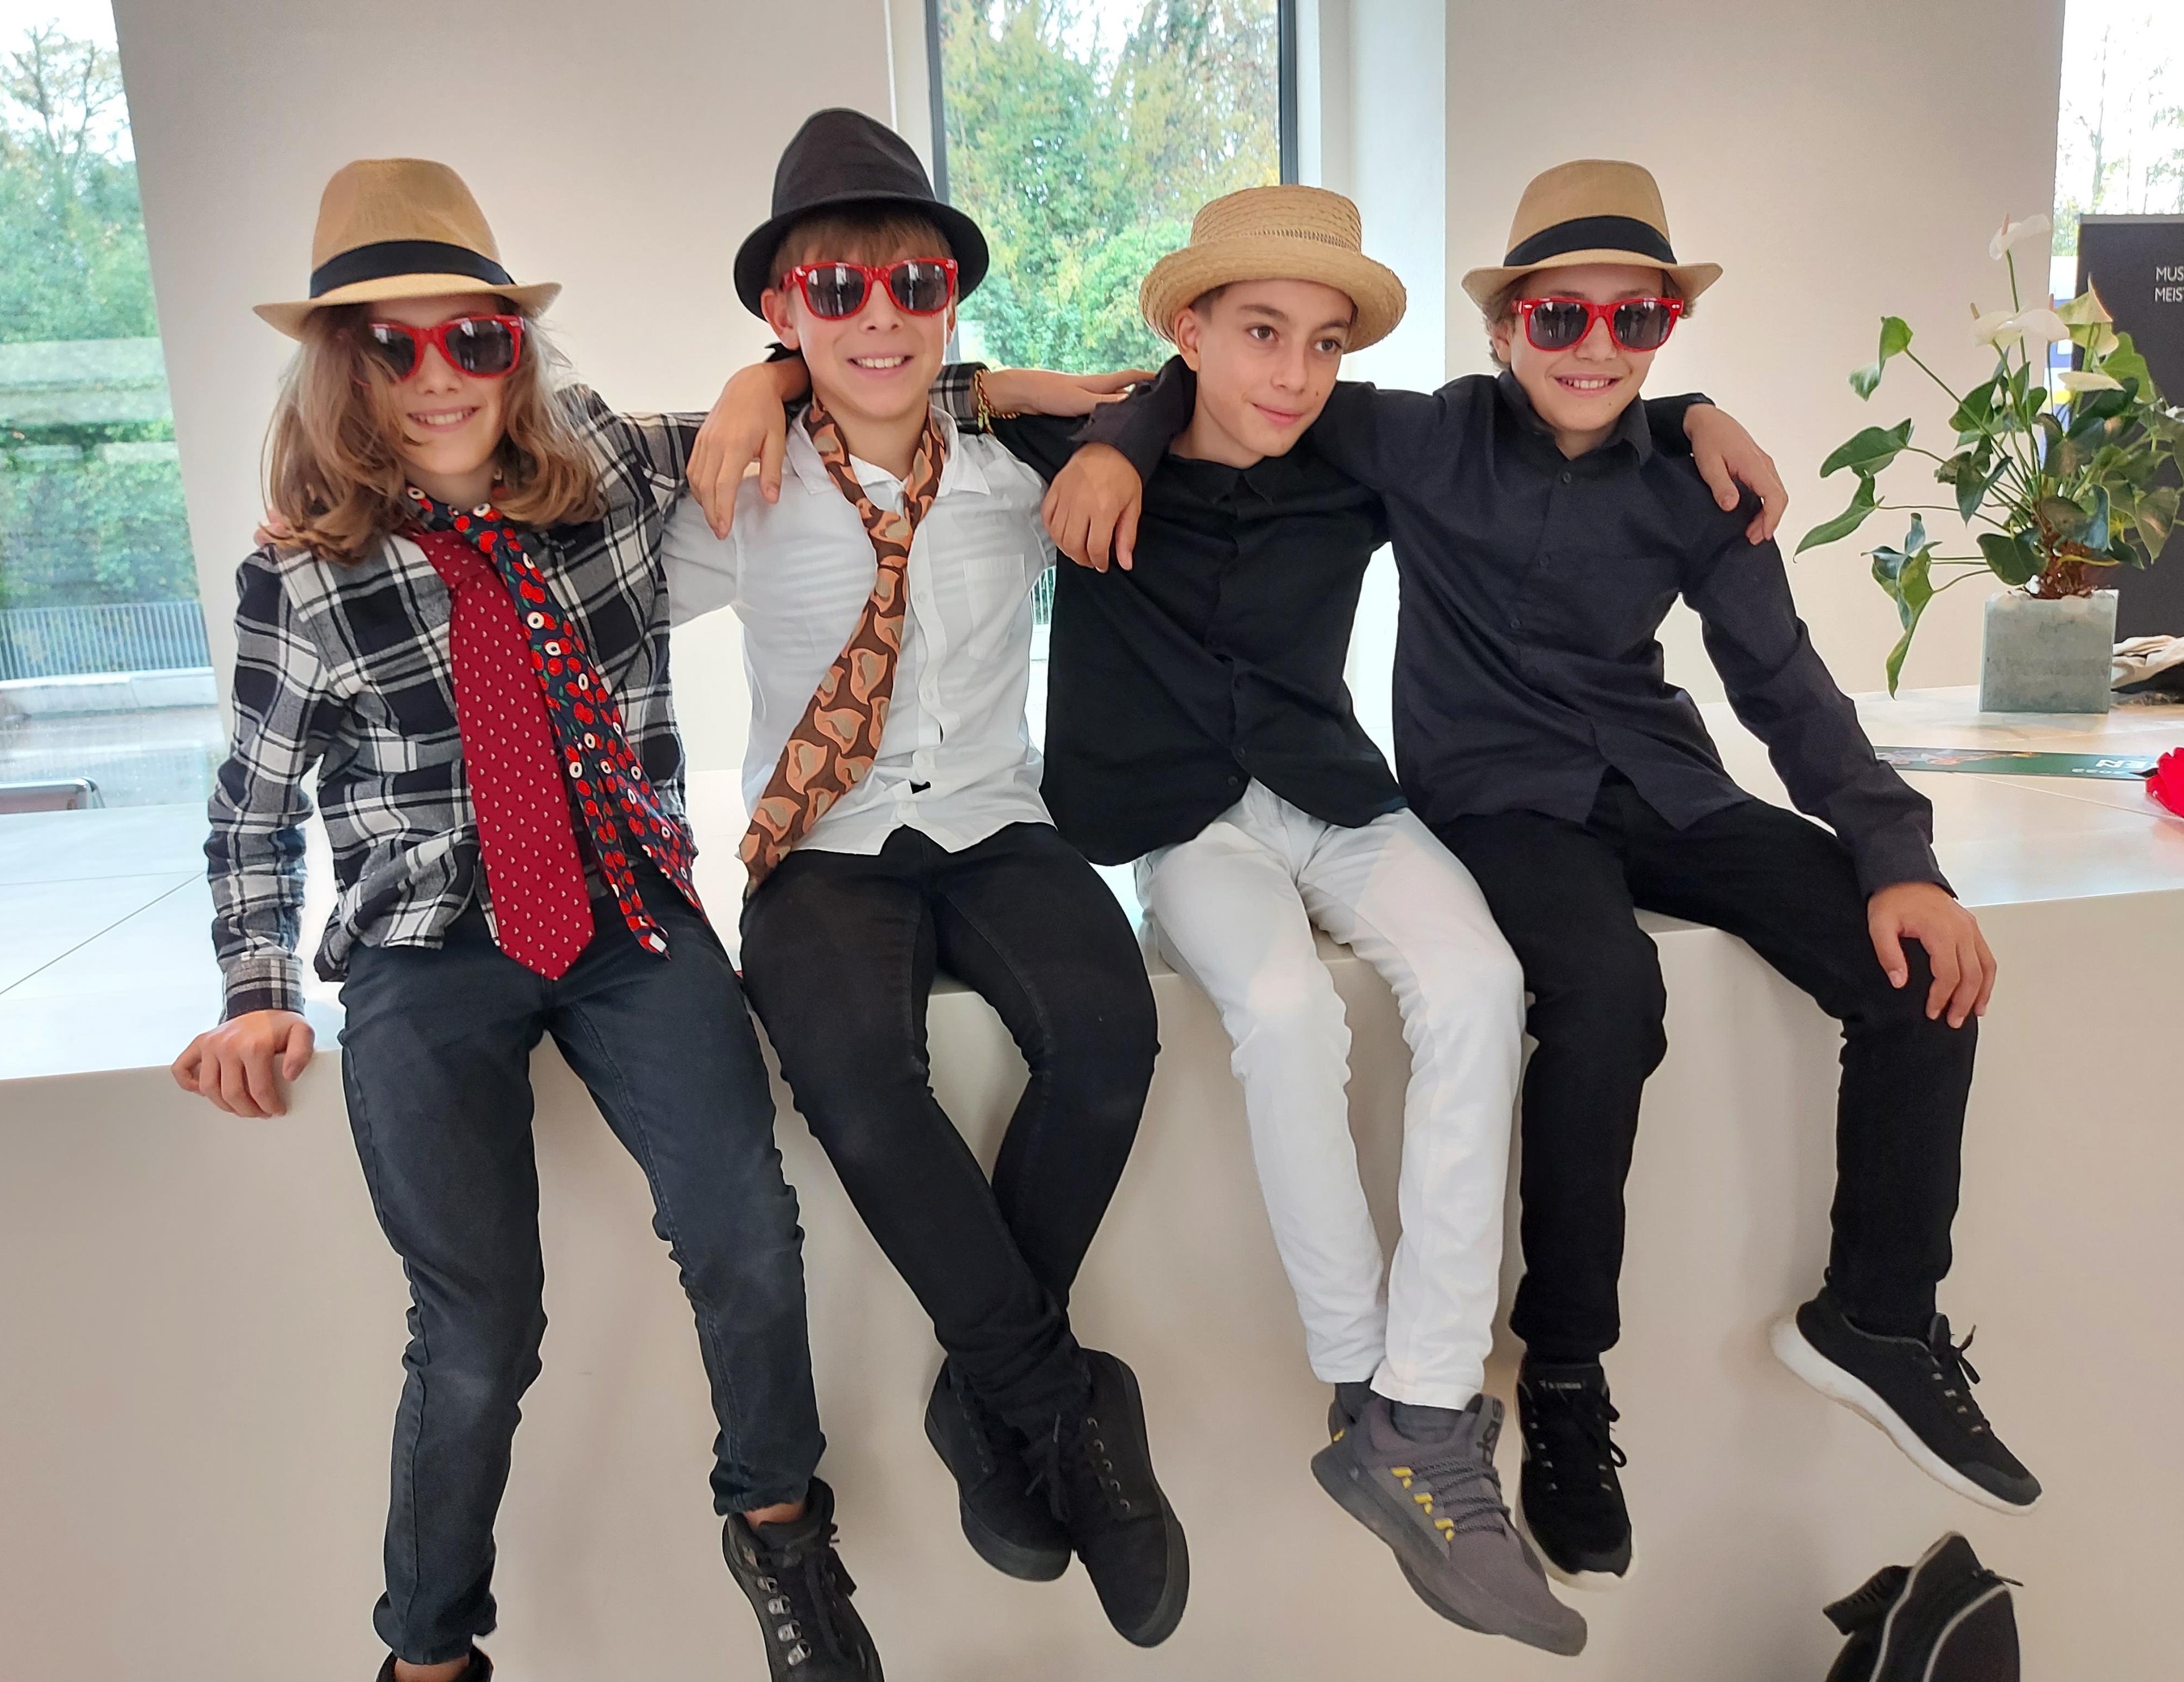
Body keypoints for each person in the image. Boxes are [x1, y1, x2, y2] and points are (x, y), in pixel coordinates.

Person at [1063, 158, 2042, 1598]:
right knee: (1603, 993)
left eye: (1635, 320)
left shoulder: (1693, 478)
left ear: (1665, 333)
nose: (1596, 347)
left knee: (1917, 971)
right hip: (1499, 801)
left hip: (1667, 784)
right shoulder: (1415, 438)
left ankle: (1881, 1316)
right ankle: (1568, 1377)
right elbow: (1209, 385)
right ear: (1506, 323)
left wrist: (1899, 857)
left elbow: (1785, 681)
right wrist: (1118, 441)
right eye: (1561, 317)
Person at [939, 183, 1776, 1652]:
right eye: (1261, 333)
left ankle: (1425, 1410)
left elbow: (1545, 418)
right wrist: (1114, 428)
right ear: (1189, 327)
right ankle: (1358, 1380)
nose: (1293, 373)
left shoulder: (1350, 461)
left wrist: (1693, 409)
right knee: (1282, 1011)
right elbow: (909, 392)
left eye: (1324, 344)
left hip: (1338, 793)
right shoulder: (1087, 451)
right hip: (1182, 823)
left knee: (1478, 986)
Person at [171, 158, 884, 1682]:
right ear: (342, 366)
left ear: (517, 347)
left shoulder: (606, 472)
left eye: (475, 338)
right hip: (428, 950)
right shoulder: (302, 581)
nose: (441, 378)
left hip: (624, 917)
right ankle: (429, 1654)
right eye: (394, 346)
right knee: (481, 1329)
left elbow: (852, 391)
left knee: (747, 1229)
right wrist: (253, 984)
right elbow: (250, 809)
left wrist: (768, 373)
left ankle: (779, 1530)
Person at [663, 108, 1189, 1650]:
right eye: (836, 292)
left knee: (1113, 1037)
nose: (878, 317)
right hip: (825, 847)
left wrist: (1057, 413)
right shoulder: (742, 483)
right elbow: (564, 498)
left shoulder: (1015, 476)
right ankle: (1055, 1407)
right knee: (856, 1081)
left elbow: (1177, 394)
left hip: (996, 821)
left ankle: (980, 1399)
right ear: (784, 309)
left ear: (952, 300)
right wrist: (755, 389)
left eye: (914, 286)